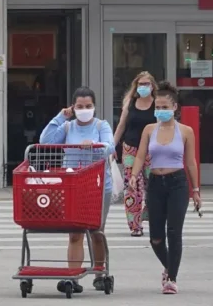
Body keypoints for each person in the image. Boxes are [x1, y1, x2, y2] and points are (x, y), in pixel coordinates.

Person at [40, 87, 115, 294]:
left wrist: (94, 144)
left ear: (94, 107)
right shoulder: (67, 127)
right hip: (74, 184)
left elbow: (110, 146)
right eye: (80, 106)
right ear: (73, 107)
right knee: (75, 234)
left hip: (99, 185)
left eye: (88, 106)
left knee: (96, 231)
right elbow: (45, 141)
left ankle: (100, 273)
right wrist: (59, 117)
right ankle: (72, 277)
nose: (84, 110)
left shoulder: (101, 125)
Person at [130, 81, 201, 294]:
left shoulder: (186, 131)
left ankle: (171, 278)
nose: (160, 111)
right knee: (156, 237)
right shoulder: (149, 130)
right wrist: (134, 175)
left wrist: (195, 190)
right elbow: (141, 155)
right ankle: (169, 266)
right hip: (155, 183)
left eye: (164, 107)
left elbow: (190, 162)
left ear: (174, 108)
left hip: (177, 183)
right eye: (157, 108)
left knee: (174, 232)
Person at [112, 72, 157, 236]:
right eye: (140, 84)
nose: (143, 87)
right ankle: (135, 226)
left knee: (153, 186)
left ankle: (151, 216)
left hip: (152, 150)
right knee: (132, 188)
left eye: (146, 84)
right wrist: (112, 147)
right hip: (131, 149)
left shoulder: (157, 105)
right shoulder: (130, 103)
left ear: (152, 86)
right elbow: (121, 126)